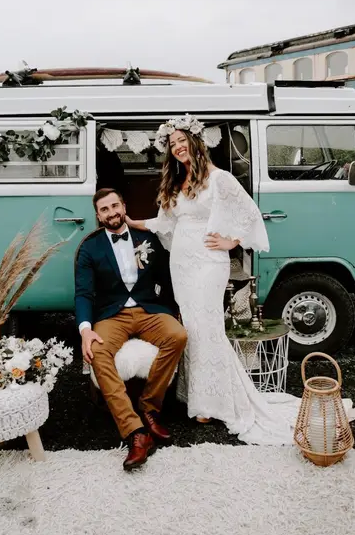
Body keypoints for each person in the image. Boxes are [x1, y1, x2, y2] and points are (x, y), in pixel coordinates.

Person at [126, 115, 302, 445]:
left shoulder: (220, 179)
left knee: (208, 328)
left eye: (182, 140)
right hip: (182, 265)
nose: (178, 147)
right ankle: (198, 396)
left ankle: (213, 404)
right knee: (192, 329)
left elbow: (250, 213)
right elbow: (165, 223)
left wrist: (231, 242)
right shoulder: (177, 181)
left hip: (209, 264)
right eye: (172, 144)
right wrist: (134, 222)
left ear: (195, 142)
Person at [75, 188, 187, 471]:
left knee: (178, 336)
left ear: (124, 206)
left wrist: (173, 311)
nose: (111, 212)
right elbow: (83, 293)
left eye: (115, 206)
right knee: (97, 351)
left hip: (148, 309)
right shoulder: (90, 247)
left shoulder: (148, 239)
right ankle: (135, 431)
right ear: (98, 215)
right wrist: (85, 330)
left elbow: (167, 278)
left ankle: (149, 407)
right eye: (104, 209)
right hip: (112, 315)